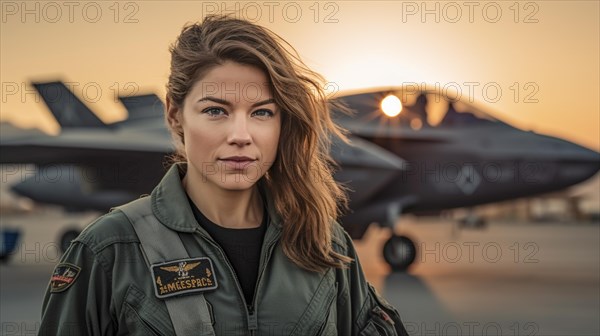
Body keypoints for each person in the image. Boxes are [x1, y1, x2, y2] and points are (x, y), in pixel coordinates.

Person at [39, 15, 409, 336]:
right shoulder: (109, 251)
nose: (241, 135)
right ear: (174, 115)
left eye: (262, 112)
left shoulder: (323, 242)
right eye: (216, 111)